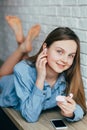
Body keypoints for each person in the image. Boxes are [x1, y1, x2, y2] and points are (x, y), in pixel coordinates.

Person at [0, 16, 86, 123]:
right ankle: (22, 47)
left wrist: (71, 112)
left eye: (71, 55)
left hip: (29, 69)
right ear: (45, 48)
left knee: (28, 64)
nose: (65, 60)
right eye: (59, 51)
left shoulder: (67, 76)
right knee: (2, 76)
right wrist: (40, 78)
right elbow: (30, 116)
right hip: (11, 85)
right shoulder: (22, 70)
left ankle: (23, 46)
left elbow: (80, 106)